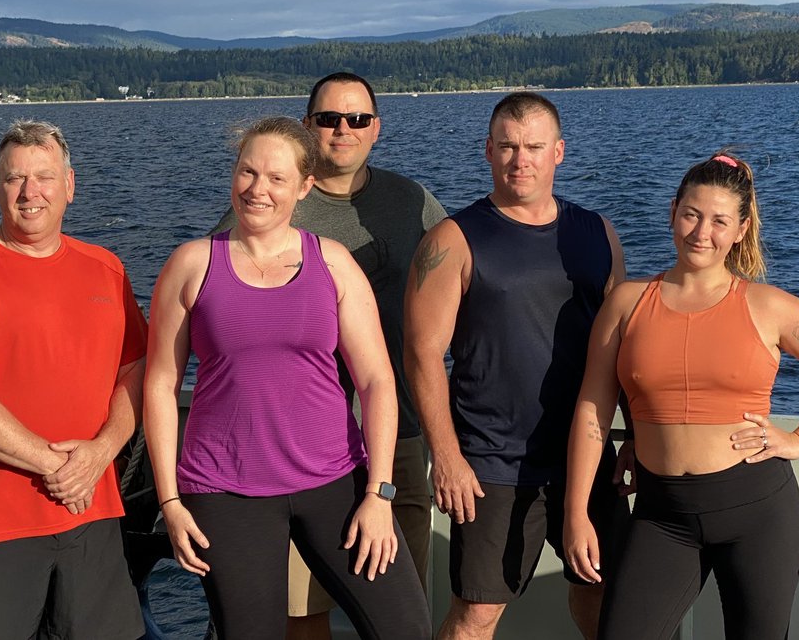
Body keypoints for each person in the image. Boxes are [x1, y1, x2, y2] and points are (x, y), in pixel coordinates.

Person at [564, 152, 799, 640]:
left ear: (741, 229)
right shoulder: (627, 303)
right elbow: (593, 408)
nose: (700, 232)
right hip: (660, 514)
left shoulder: (766, 305)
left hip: (756, 511)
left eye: (719, 221)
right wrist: (576, 512)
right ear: (672, 212)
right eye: (691, 214)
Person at [144, 116, 431, 640]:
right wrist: (170, 502)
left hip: (337, 481)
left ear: (304, 187)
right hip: (227, 491)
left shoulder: (335, 265)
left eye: (277, 178)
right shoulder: (191, 265)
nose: (258, 190)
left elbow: (376, 382)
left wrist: (379, 493)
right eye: (247, 172)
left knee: (404, 627)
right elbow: (161, 386)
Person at [212, 72, 446, 640]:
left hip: (399, 433)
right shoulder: (267, 207)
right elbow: (216, 302)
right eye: (328, 119)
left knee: (398, 603)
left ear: (376, 129)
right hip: (296, 448)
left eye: (358, 119)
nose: (344, 130)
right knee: (302, 608)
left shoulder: (411, 201)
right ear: (307, 125)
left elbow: (467, 278)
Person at [0, 119, 147, 640]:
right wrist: (60, 467)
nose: (30, 192)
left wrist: (102, 451)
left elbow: (137, 369)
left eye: (44, 176)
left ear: (70, 186)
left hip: (92, 515)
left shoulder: (107, 269)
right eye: (15, 178)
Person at [404, 91, 629, 640]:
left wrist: (638, 440)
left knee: (607, 594)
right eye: (507, 146)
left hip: (585, 454)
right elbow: (422, 353)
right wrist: (448, 456)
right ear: (487, 151)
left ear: (559, 152)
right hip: (493, 464)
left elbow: (624, 348)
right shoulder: (454, 239)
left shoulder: (597, 233)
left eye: (533, 146)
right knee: (476, 615)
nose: (519, 159)